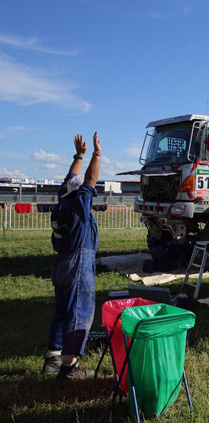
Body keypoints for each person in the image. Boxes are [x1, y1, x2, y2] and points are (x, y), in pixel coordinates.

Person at [42, 132, 102, 381]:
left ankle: (52, 359)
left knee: (62, 312)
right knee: (79, 313)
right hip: (78, 263)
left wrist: (79, 155)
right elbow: (89, 179)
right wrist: (96, 154)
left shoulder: (63, 199)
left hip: (61, 264)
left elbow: (73, 178)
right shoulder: (79, 204)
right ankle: (69, 369)